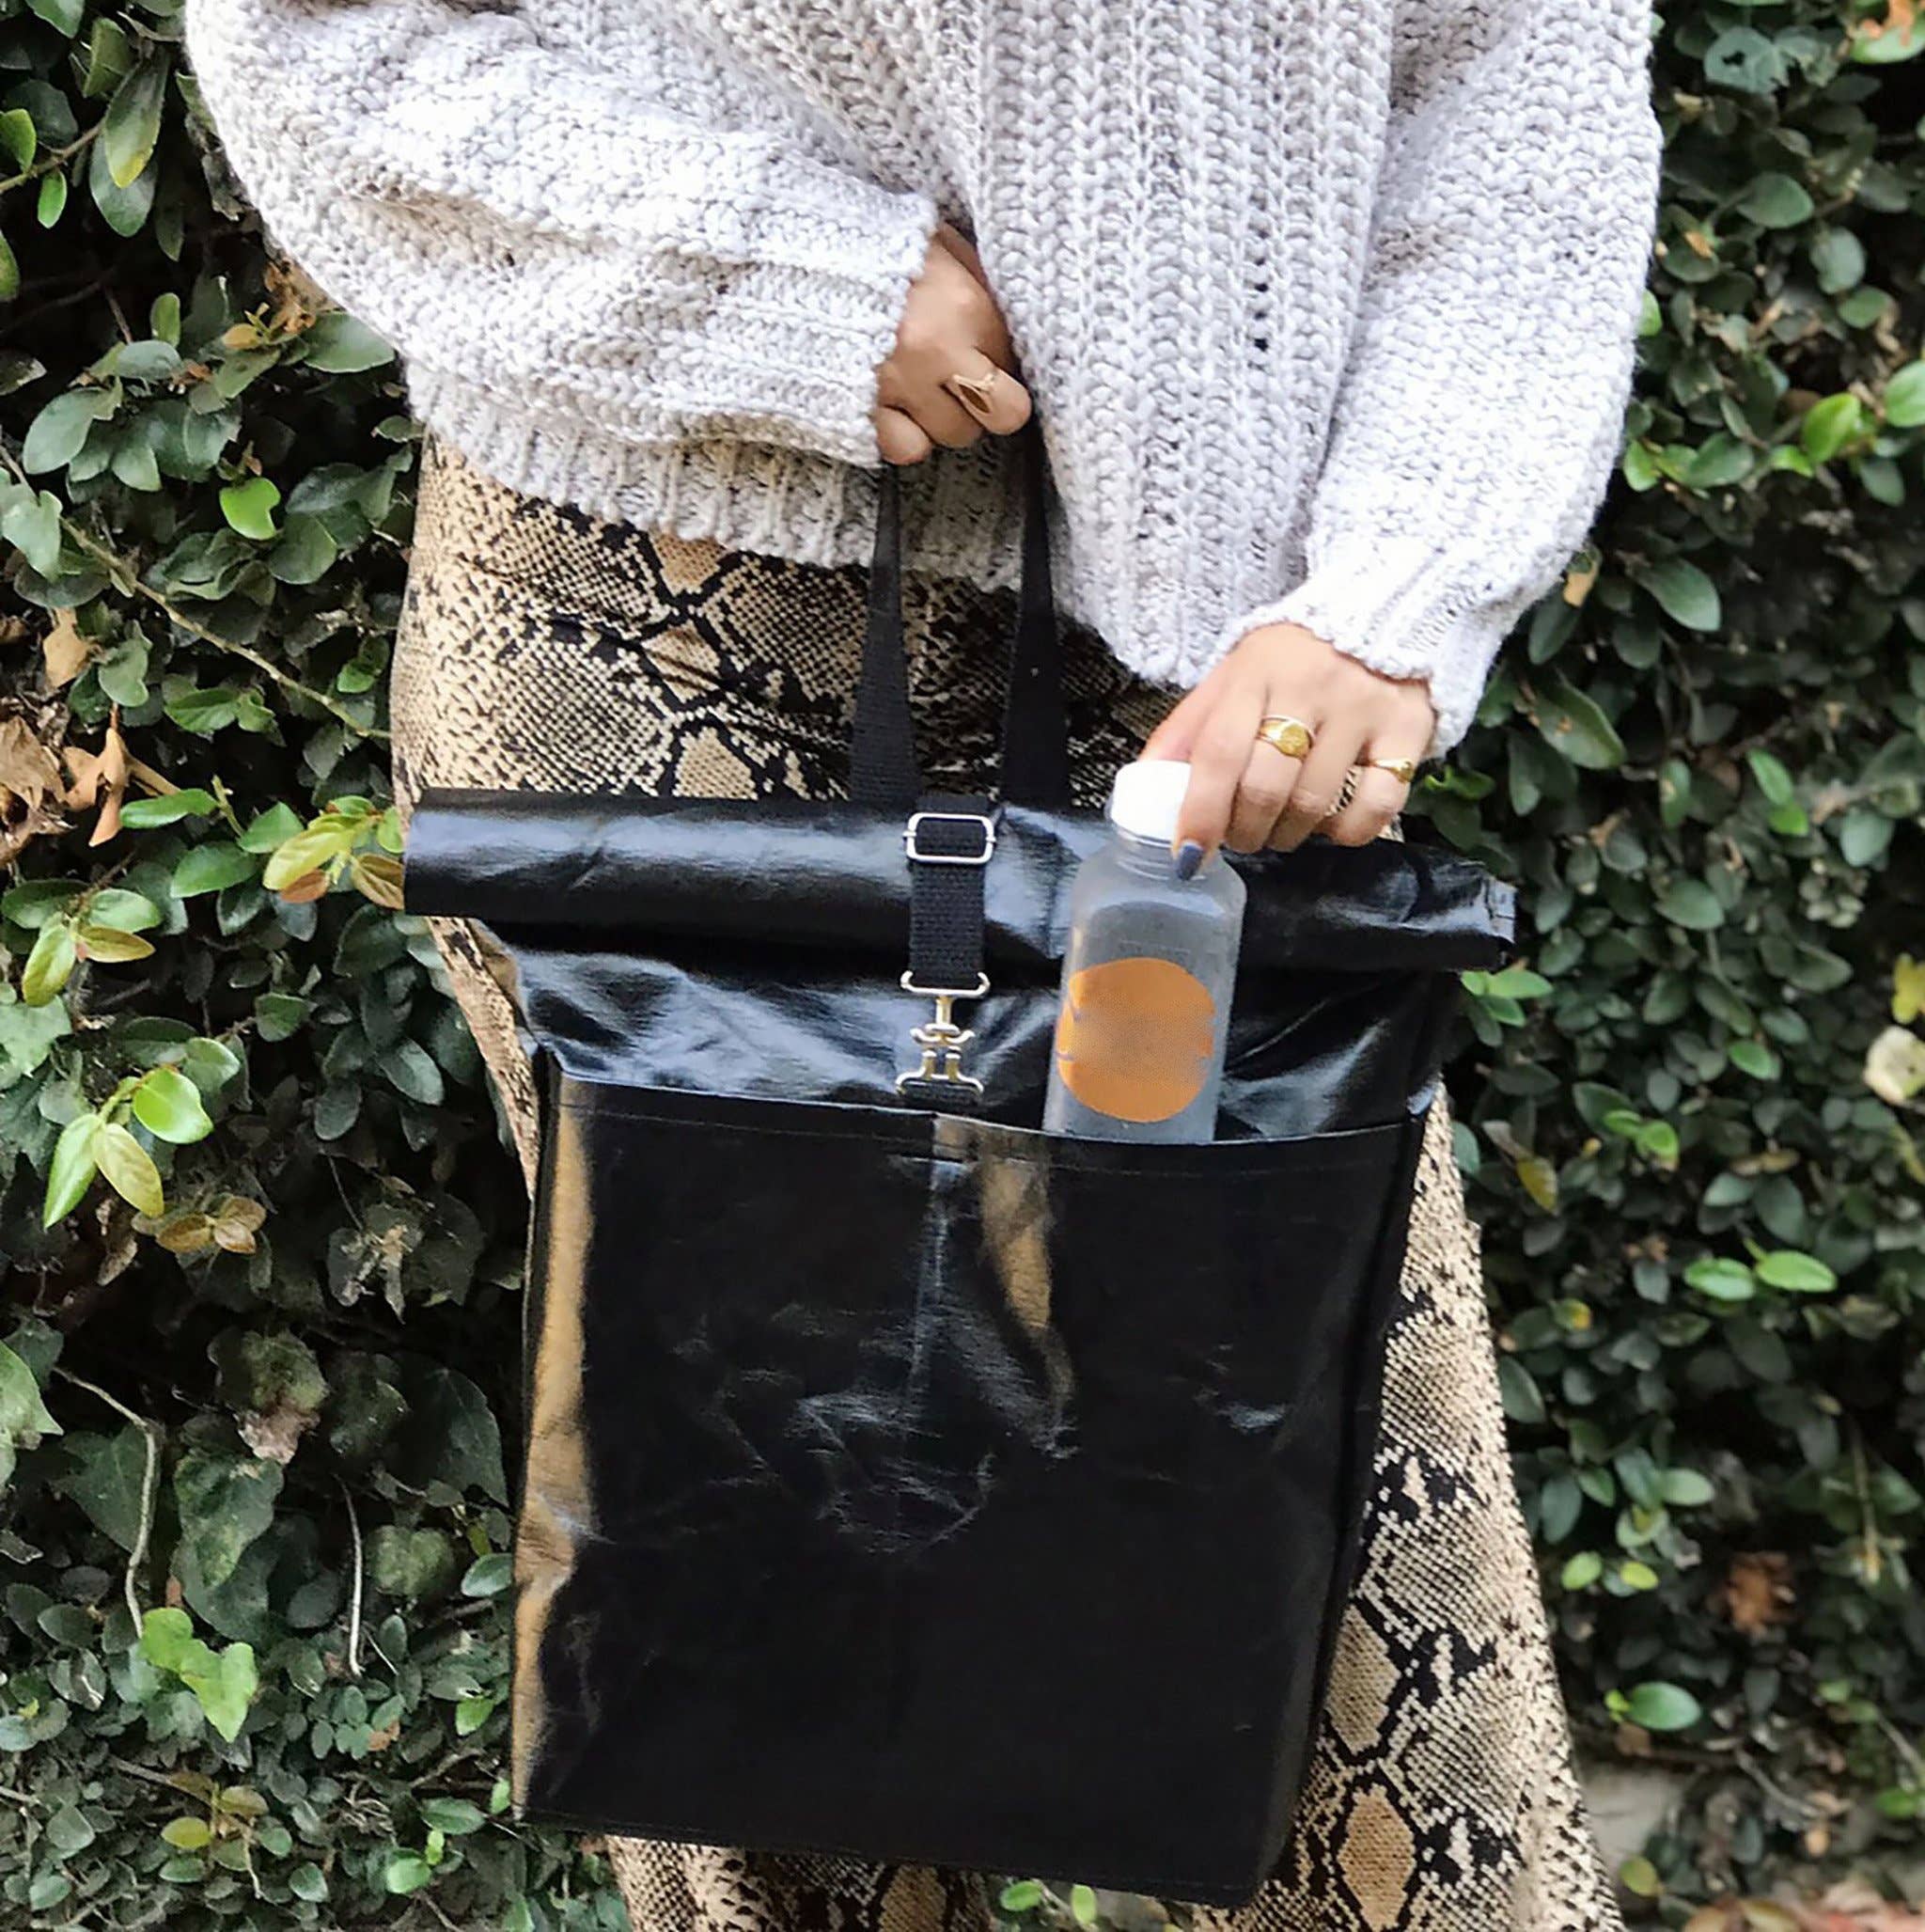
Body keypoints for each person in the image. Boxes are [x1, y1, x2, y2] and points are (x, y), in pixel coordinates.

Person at [183, 2, 1664, 1925]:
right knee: (759, 1651)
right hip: (660, 620)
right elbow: (319, 32)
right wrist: (784, 275)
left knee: (1381, 1657)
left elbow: (1521, 73)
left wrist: (1399, 589)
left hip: (1208, 707)